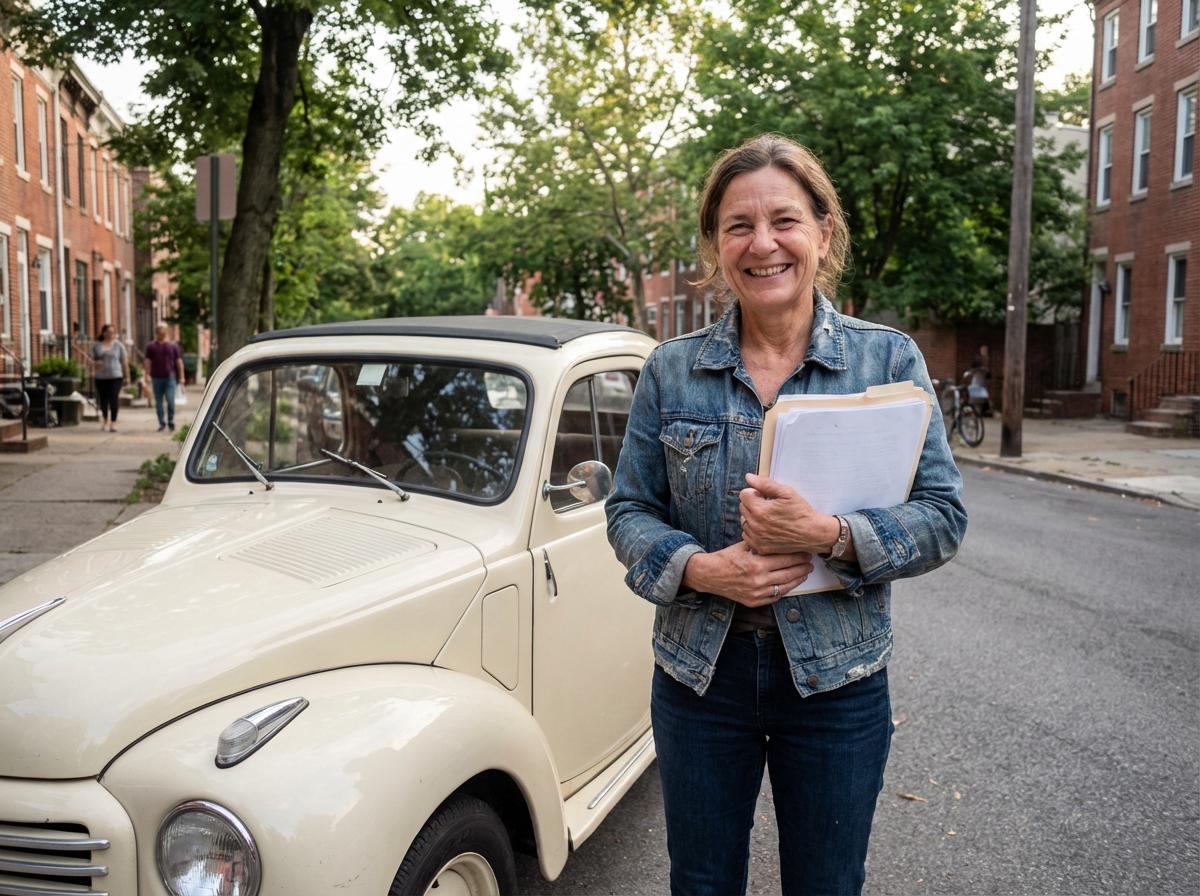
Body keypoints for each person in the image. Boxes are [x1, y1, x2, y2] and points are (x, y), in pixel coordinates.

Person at [606, 135, 967, 896]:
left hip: (838, 682)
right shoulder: (671, 370)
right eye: (738, 225)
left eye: (784, 220)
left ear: (822, 233)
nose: (762, 243)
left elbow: (942, 516)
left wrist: (831, 536)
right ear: (715, 245)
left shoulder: (886, 361)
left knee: (826, 883)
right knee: (702, 882)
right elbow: (629, 510)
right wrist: (702, 570)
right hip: (702, 680)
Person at [84, 324, 128, 433]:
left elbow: (124, 361)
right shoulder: (96, 346)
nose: (110, 334)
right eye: (108, 332)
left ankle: (113, 422)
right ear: (104, 333)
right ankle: (105, 420)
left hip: (116, 376)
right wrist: (94, 364)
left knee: (113, 398)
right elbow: (89, 360)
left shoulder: (119, 345)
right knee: (103, 399)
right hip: (101, 377)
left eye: (112, 332)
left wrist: (127, 376)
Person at [144, 323, 185, 432]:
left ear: (166, 332)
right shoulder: (151, 347)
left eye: (163, 331)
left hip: (170, 378)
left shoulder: (173, 346)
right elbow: (147, 361)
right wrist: (146, 375)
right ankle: (161, 422)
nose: (161, 333)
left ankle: (170, 421)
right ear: (156, 332)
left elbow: (179, 362)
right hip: (156, 377)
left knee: (171, 401)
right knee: (159, 402)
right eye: (159, 331)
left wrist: (181, 377)